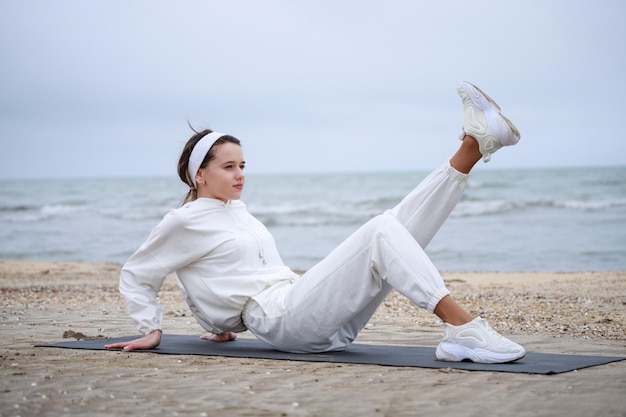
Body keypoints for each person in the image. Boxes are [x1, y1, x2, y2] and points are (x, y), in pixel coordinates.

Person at [105, 82, 526, 364]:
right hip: (284, 321)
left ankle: (474, 145)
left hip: (305, 312)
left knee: (396, 226)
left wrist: (220, 325)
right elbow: (140, 272)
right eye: (228, 166)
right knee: (380, 230)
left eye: (243, 165)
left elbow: (225, 277)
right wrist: (150, 328)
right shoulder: (184, 220)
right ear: (200, 174)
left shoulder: (237, 212)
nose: (240, 174)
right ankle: (464, 329)